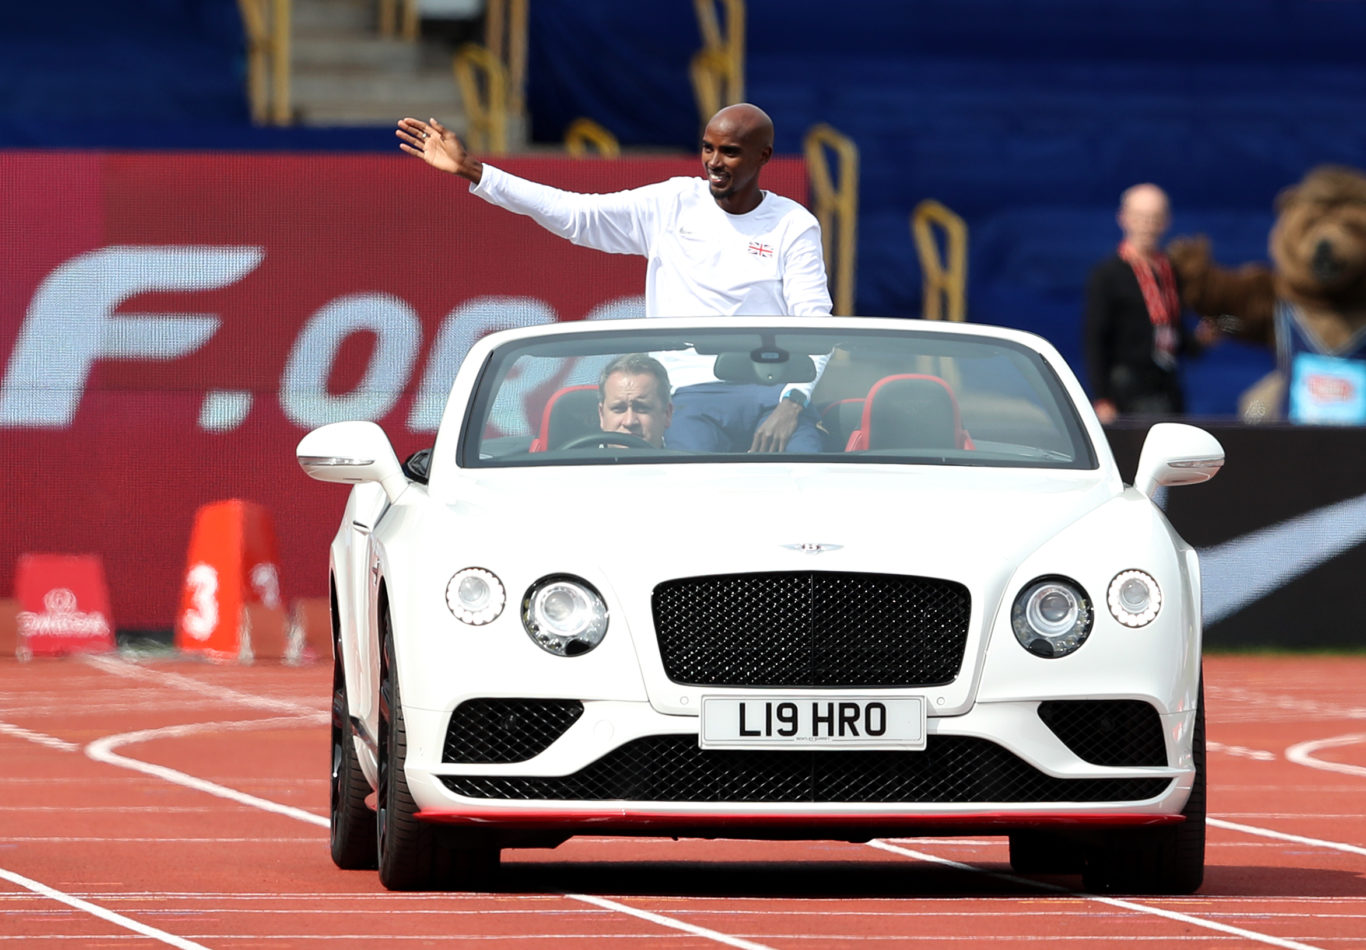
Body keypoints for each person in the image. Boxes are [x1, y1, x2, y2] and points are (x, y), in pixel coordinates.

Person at [396, 103, 832, 452]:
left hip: (773, 394)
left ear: (764, 156)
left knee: (813, 487)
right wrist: (475, 170)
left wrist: (793, 404)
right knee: (689, 494)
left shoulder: (794, 224)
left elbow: (815, 325)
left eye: (730, 152)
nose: (714, 163)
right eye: (707, 149)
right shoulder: (672, 202)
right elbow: (574, 213)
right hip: (686, 397)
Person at [1083, 183, 1214, 423]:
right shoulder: (1108, 274)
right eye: (1140, 217)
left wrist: (1200, 340)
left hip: (1167, 385)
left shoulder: (1169, 272)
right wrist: (1102, 398)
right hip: (1127, 389)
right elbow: (1095, 339)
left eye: (1155, 218)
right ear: (1123, 218)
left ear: (1166, 221)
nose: (1147, 226)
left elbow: (1173, 331)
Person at [597, 353, 673, 448]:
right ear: (602, 415)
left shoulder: (689, 463)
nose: (629, 421)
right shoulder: (577, 462)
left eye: (641, 408)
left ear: (667, 414)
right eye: (618, 409)